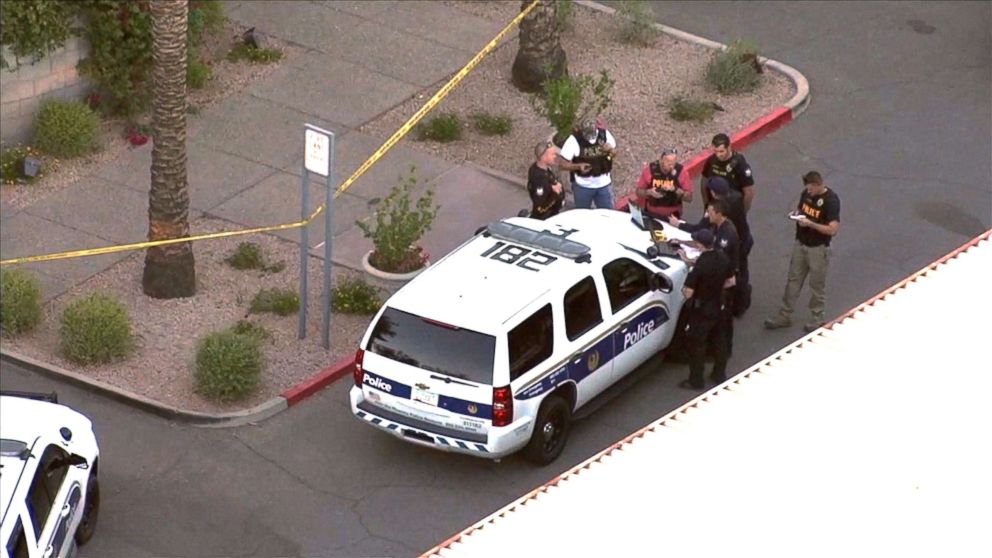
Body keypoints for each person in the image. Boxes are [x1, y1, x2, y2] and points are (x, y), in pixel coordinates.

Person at [764, 171, 841, 333]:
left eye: (811, 188)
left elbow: (833, 229)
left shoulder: (830, 201)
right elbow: (801, 210)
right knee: (793, 280)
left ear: (818, 184)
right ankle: (784, 315)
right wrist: (797, 217)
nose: (809, 192)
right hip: (801, 244)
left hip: (818, 249)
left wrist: (811, 224)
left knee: (816, 285)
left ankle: (817, 317)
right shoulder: (806, 194)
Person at [678, 228, 735, 390]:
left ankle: (696, 380)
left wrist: (689, 276)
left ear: (699, 245)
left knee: (697, 345)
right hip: (719, 305)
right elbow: (731, 282)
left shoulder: (700, 266)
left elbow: (688, 293)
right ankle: (719, 374)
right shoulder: (723, 258)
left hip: (702, 310)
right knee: (719, 341)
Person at [704, 177, 752, 316]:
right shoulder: (736, 197)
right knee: (741, 272)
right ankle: (740, 303)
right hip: (743, 237)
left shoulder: (723, 206)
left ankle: (739, 304)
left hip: (737, 242)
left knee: (735, 275)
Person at [559, 119, 617, 210]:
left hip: (604, 185)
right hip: (582, 186)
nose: (591, 139)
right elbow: (562, 164)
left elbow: (614, 154)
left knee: (608, 214)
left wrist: (611, 150)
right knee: (582, 215)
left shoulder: (605, 135)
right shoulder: (574, 140)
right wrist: (578, 166)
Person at [700, 133, 756, 212]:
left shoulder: (740, 164)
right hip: (714, 208)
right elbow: (704, 182)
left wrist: (742, 213)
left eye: (721, 151)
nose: (718, 155)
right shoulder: (711, 161)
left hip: (732, 207)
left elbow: (749, 192)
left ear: (729, 147)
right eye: (715, 151)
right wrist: (706, 205)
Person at [635, 147, 692, 219]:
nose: (671, 166)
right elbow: (638, 192)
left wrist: (675, 189)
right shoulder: (650, 170)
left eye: (673, 162)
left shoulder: (681, 172)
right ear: (661, 160)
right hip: (652, 214)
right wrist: (649, 192)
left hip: (673, 217)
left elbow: (689, 198)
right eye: (668, 162)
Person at [528, 141, 565, 220]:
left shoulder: (544, 168)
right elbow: (540, 209)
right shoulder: (539, 179)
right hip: (546, 219)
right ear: (543, 157)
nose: (555, 156)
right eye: (553, 154)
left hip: (553, 214)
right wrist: (556, 193)